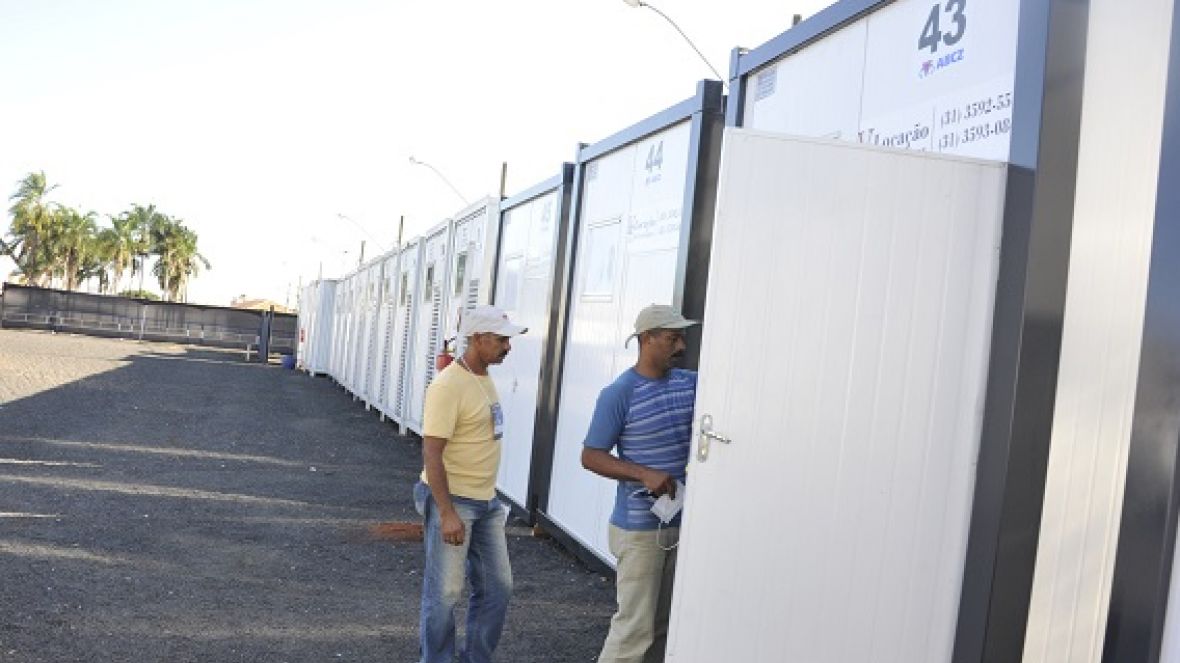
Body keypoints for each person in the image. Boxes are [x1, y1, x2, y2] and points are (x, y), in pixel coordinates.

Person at [581, 303, 700, 663]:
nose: (680, 346)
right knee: (634, 629)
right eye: (671, 338)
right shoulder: (620, 392)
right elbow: (591, 456)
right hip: (639, 531)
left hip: (680, 524)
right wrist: (644, 473)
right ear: (646, 339)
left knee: (664, 628)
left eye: (682, 338)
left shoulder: (691, 383)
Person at [413, 304, 527, 663]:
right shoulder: (448, 386)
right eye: (501, 340)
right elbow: (432, 454)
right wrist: (446, 513)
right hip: (453, 499)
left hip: (486, 501)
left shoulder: (481, 376)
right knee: (444, 593)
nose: (508, 347)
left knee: (498, 587)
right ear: (478, 339)